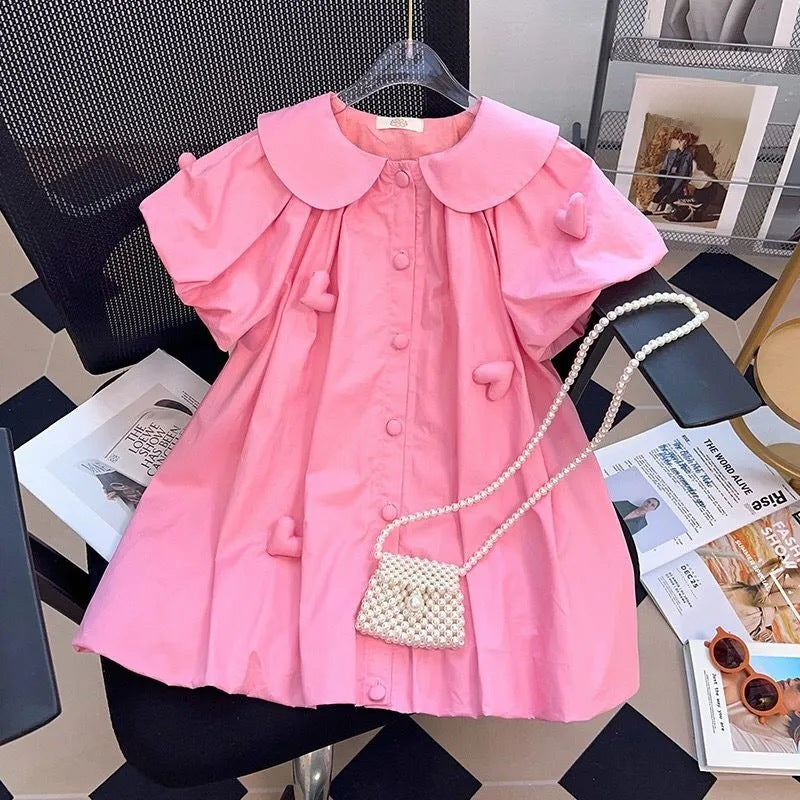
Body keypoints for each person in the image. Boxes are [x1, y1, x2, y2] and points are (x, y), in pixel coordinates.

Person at [645, 132, 697, 216]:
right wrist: (661, 175)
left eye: (687, 142)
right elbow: (665, 165)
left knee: (673, 194)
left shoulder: (688, 155)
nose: (684, 143)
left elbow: (689, 169)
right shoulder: (671, 153)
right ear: (679, 141)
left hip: (680, 178)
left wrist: (686, 181)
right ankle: (650, 209)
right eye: (683, 141)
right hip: (670, 175)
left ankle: (668, 210)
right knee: (661, 192)